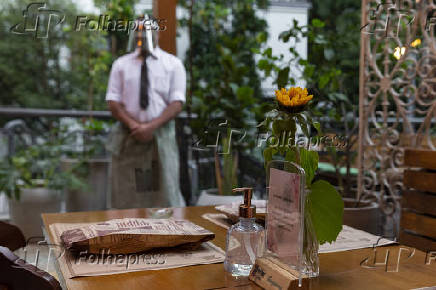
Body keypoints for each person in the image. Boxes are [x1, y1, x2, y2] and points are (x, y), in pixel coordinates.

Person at [106, 15, 186, 209]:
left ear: (157, 33)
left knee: (164, 195)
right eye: (139, 30)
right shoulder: (121, 64)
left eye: (148, 30)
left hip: (161, 137)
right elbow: (112, 101)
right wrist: (135, 125)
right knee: (124, 196)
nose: (143, 34)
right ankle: (124, 236)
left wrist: (150, 127)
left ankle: (167, 236)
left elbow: (177, 102)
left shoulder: (173, 64)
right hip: (128, 136)